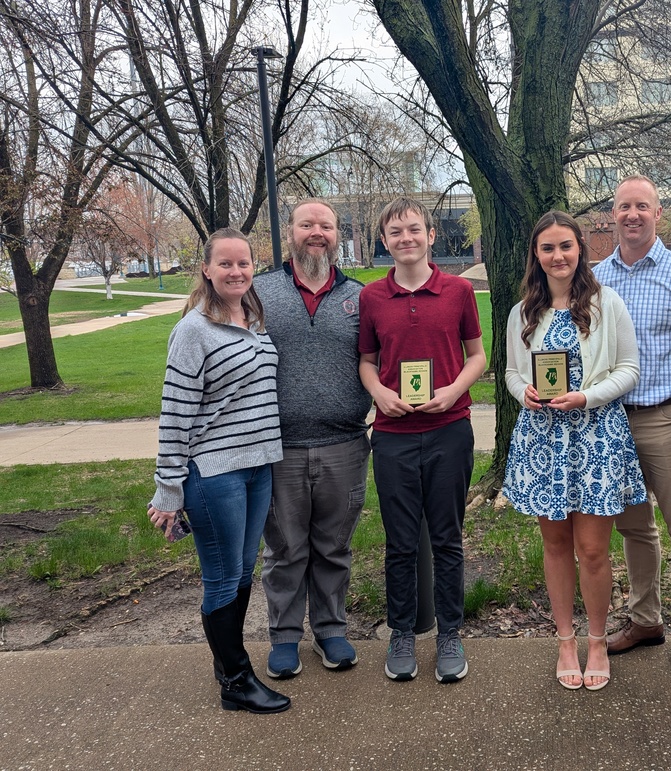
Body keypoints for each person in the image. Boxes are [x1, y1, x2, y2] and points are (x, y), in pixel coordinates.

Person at [502, 211, 645, 691]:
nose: (557, 256)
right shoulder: (523, 311)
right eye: (547, 248)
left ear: (580, 249)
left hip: (596, 438)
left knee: (593, 549)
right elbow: (511, 373)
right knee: (556, 544)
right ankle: (565, 639)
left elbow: (628, 369)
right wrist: (524, 391)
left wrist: (587, 396)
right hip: (544, 440)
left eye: (565, 246)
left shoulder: (608, 304)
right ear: (536, 256)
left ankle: (598, 639)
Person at [148, 228, 289, 714]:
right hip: (214, 476)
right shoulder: (193, 330)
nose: (236, 272)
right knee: (224, 577)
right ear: (206, 270)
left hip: (258, 469)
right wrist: (168, 490)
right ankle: (236, 679)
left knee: (242, 569)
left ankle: (226, 660)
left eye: (244, 263)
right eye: (225, 264)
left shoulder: (254, 320)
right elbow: (175, 413)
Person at [592, 175, 671, 680]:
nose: (632, 215)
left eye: (642, 206)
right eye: (624, 207)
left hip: (669, 418)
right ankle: (645, 619)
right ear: (613, 214)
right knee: (633, 527)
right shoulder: (597, 279)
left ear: (658, 214)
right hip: (613, 422)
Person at [358, 197, 487, 683]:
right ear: (385, 241)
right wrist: (380, 393)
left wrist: (454, 390)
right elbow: (367, 362)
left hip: (448, 430)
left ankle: (450, 633)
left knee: (447, 538)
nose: (405, 238)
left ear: (432, 236)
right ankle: (403, 633)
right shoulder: (372, 298)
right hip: (392, 435)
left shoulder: (457, 291)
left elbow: (476, 355)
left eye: (414, 229)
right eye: (395, 232)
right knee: (400, 542)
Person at [253, 199, 372, 680]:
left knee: (333, 546)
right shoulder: (259, 292)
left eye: (325, 225)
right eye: (307, 224)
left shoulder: (362, 298)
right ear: (291, 233)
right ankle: (284, 637)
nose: (316, 232)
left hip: (344, 443)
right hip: (276, 446)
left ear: (337, 234)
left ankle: (330, 630)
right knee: (284, 549)